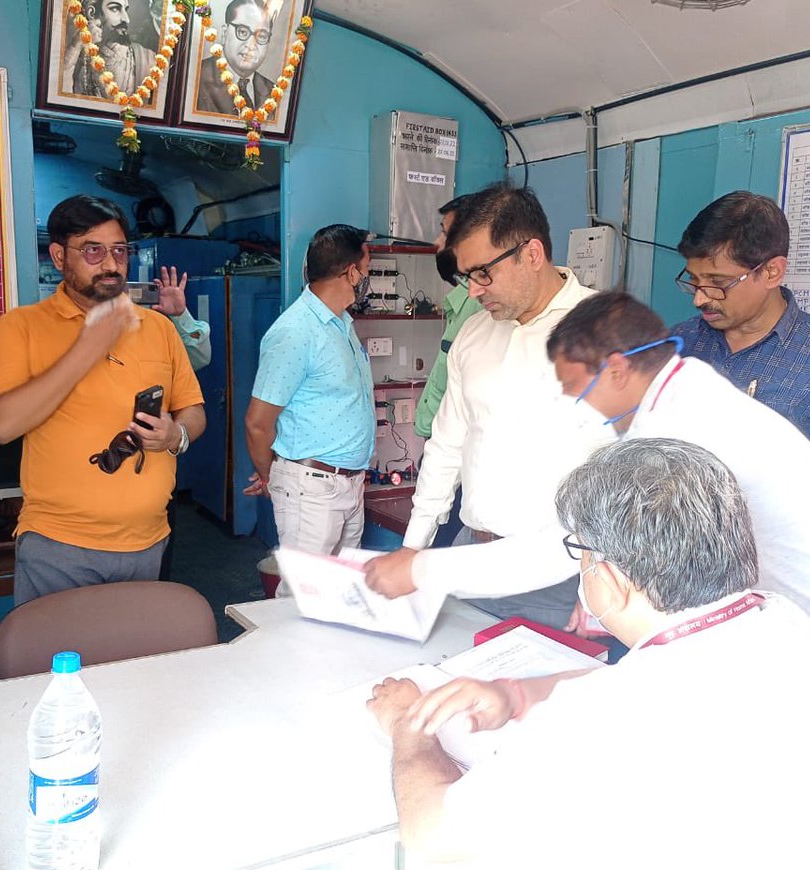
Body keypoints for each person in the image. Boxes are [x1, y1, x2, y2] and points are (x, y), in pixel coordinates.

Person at [370, 292, 810, 793]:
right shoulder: (688, 394)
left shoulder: (680, 432)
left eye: (575, 390)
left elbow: (556, 547)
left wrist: (422, 570)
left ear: (615, 369)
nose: (579, 408)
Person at [368, 438, 810, 870]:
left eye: (580, 555)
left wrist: (408, 727)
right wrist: (518, 696)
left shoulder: (611, 717)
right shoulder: (779, 621)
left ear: (608, 580)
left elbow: (430, 832)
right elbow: (679, 685)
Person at [369, 184, 612, 628]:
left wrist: (608, 580)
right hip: (470, 553)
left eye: (483, 273)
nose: (475, 291)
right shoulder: (474, 335)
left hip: (558, 575)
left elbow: (627, 469)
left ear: (532, 254)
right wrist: (414, 545)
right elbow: (446, 445)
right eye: (467, 276)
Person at [0, 195, 205, 606]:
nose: (110, 263)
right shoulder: (21, 327)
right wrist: (89, 345)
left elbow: (193, 409)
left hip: (148, 541)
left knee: (132, 663)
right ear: (58, 256)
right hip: (59, 547)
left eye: (119, 250)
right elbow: (1, 424)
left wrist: (177, 435)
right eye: (92, 250)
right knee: (57, 664)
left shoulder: (157, 327)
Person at [671, 191, 810, 518]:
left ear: (772, 272)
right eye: (694, 281)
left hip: (765, 560)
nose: (700, 299)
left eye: (717, 282)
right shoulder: (678, 343)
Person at [243, 225, 374, 597]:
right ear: (350, 272)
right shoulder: (296, 332)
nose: (367, 280)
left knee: (341, 592)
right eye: (366, 270)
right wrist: (274, 478)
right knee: (303, 597)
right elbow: (257, 423)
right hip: (312, 489)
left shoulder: (342, 325)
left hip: (349, 484)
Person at [413, 194, 483, 439]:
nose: (437, 242)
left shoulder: (479, 308)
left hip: (456, 447)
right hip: (441, 442)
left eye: (444, 233)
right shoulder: (462, 304)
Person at [196, 0, 275, 115]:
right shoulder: (196, 77)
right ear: (224, 33)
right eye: (242, 32)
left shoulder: (273, 92)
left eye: (262, 36)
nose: (251, 45)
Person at [72, 0, 158, 98]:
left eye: (126, 9)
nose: (126, 19)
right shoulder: (78, 57)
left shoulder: (148, 59)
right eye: (115, 8)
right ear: (92, 13)